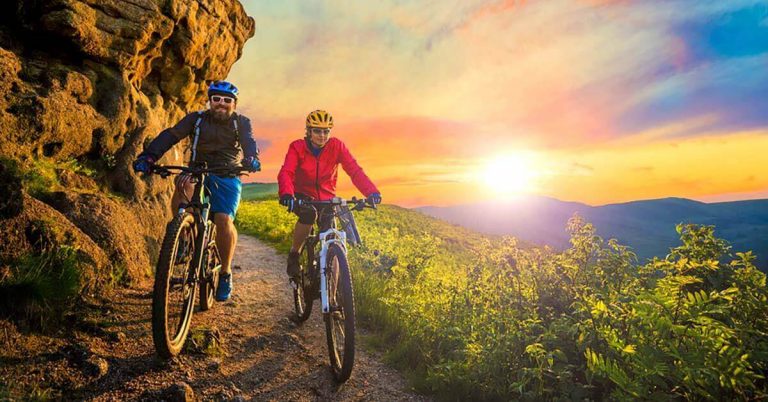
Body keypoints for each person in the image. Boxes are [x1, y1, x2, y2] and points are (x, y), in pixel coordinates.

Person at [132, 80, 260, 301]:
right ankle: (182, 236)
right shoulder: (197, 119)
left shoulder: (241, 122)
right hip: (197, 170)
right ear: (209, 101)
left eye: (227, 100)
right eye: (217, 99)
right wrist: (149, 156)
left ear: (234, 104)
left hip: (227, 174)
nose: (222, 104)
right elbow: (171, 135)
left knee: (223, 220)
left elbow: (249, 142)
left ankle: (226, 272)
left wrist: (251, 159)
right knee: (183, 187)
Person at [277, 110, 381, 280]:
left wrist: (372, 192)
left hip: (326, 198)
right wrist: (287, 194)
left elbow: (354, 170)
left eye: (326, 131)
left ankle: (332, 296)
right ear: (309, 131)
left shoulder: (337, 146)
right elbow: (286, 172)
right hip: (302, 195)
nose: (322, 135)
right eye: (317, 131)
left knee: (331, 237)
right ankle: (294, 254)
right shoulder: (297, 147)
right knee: (309, 215)